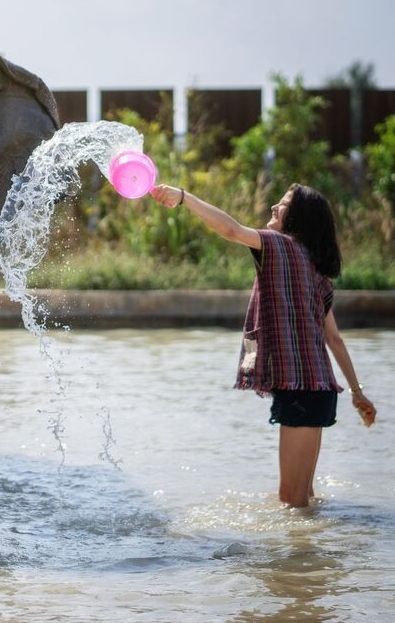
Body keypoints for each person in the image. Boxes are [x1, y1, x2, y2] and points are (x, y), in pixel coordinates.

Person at [150, 182, 377, 508]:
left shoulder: (277, 245)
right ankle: (311, 555)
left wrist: (184, 198)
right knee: (305, 501)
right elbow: (334, 339)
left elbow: (230, 229)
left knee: (291, 503)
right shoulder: (317, 273)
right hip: (318, 391)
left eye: (282, 204)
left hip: (303, 392)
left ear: (299, 216)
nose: (273, 207)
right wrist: (356, 391)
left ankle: (298, 559)